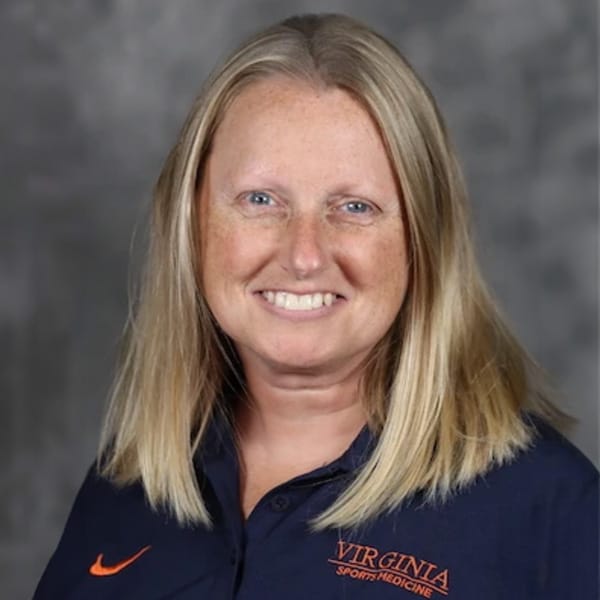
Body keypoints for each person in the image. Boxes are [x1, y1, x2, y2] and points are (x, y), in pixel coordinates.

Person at [34, 13, 597, 600]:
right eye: (260, 199)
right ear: (191, 220)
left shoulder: (551, 514)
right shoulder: (124, 489)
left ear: (423, 239)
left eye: (354, 207)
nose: (304, 255)